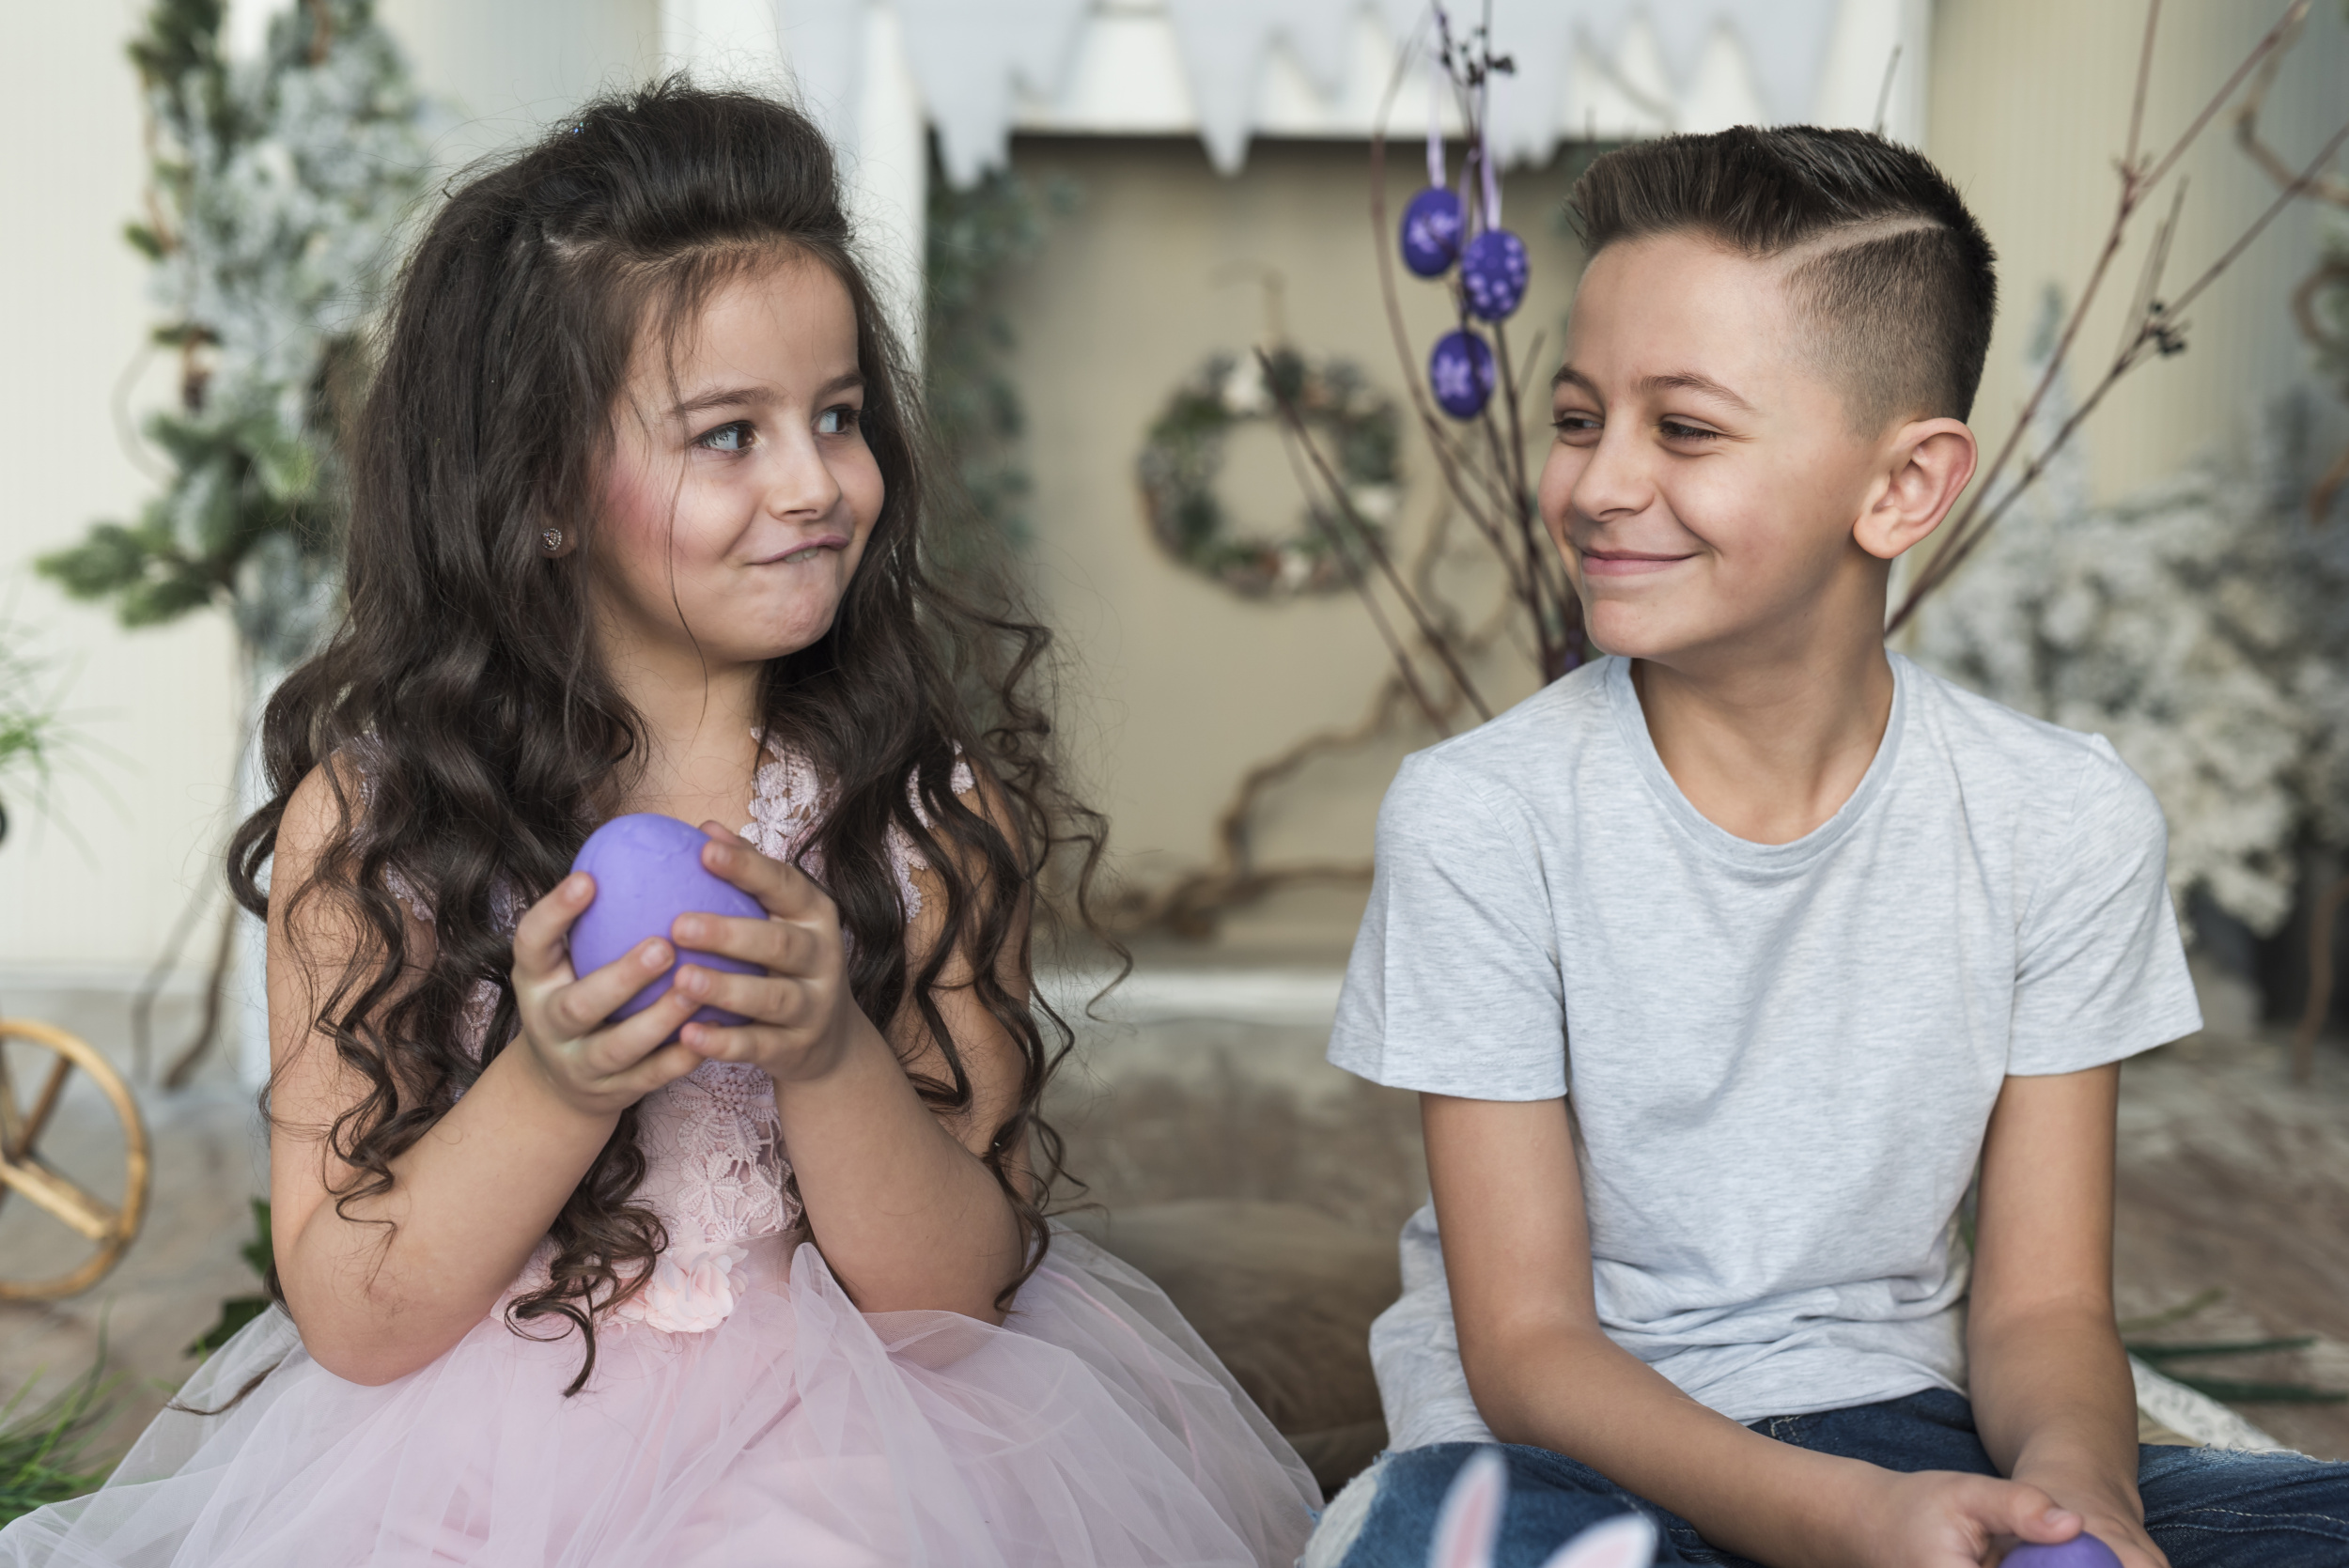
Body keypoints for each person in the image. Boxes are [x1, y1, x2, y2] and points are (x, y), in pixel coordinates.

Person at [0, 82, 1315, 1568]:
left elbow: (954, 1305)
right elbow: (360, 1318)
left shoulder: (917, 813)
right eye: (729, 435)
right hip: (480, 1456)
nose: (818, 481)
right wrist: (557, 1078)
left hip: (856, 1442)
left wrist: (829, 1051)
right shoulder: (381, 829)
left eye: (836, 416)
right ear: (547, 490)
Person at [1320, 126, 2349, 1568]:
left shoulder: (2062, 818)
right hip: (1562, 1460)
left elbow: (2045, 1310)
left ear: (1904, 487)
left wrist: (2075, 1516)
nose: (1599, 483)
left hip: (1913, 1427)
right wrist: (1848, 1523)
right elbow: (1530, 1342)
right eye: (1575, 416)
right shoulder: (1481, 814)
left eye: (1682, 429)